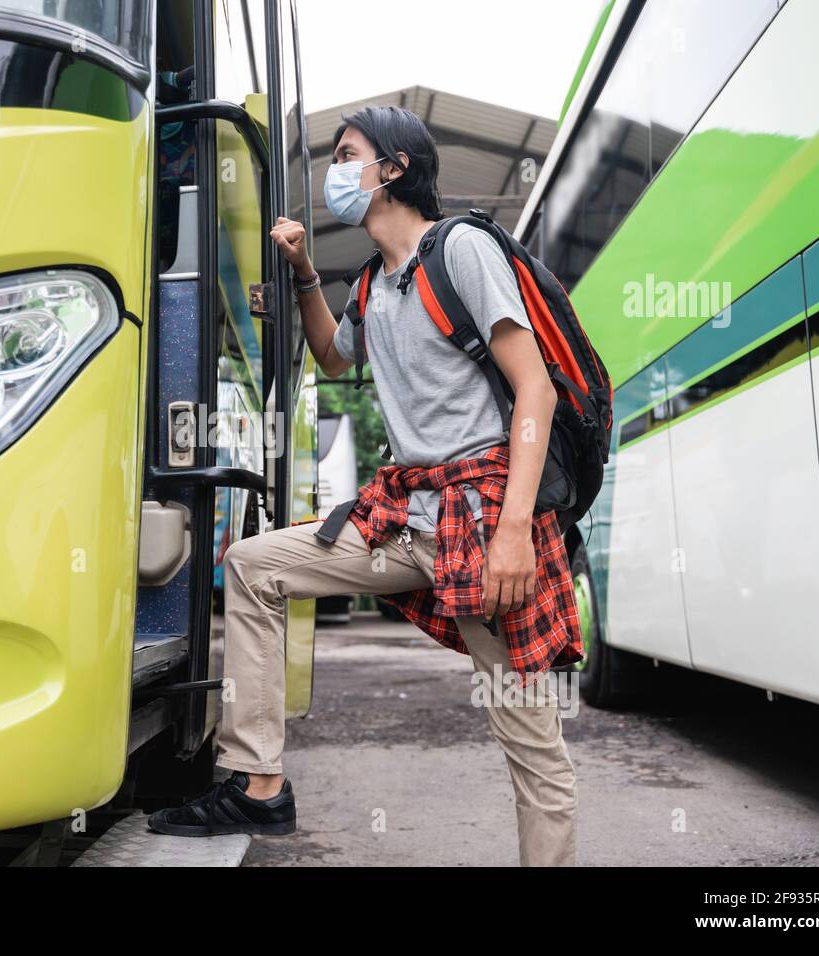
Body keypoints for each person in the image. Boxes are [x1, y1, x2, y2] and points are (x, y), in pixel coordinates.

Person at [147, 105, 580, 866]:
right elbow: (334, 356)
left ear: (395, 169)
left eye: (348, 155)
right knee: (253, 565)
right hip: (404, 520)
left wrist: (515, 532)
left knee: (529, 742)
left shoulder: (463, 249)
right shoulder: (376, 286)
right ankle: (258, 783)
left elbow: (534, 391)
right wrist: (309, 276)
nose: (335, 171)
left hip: (481, 522)